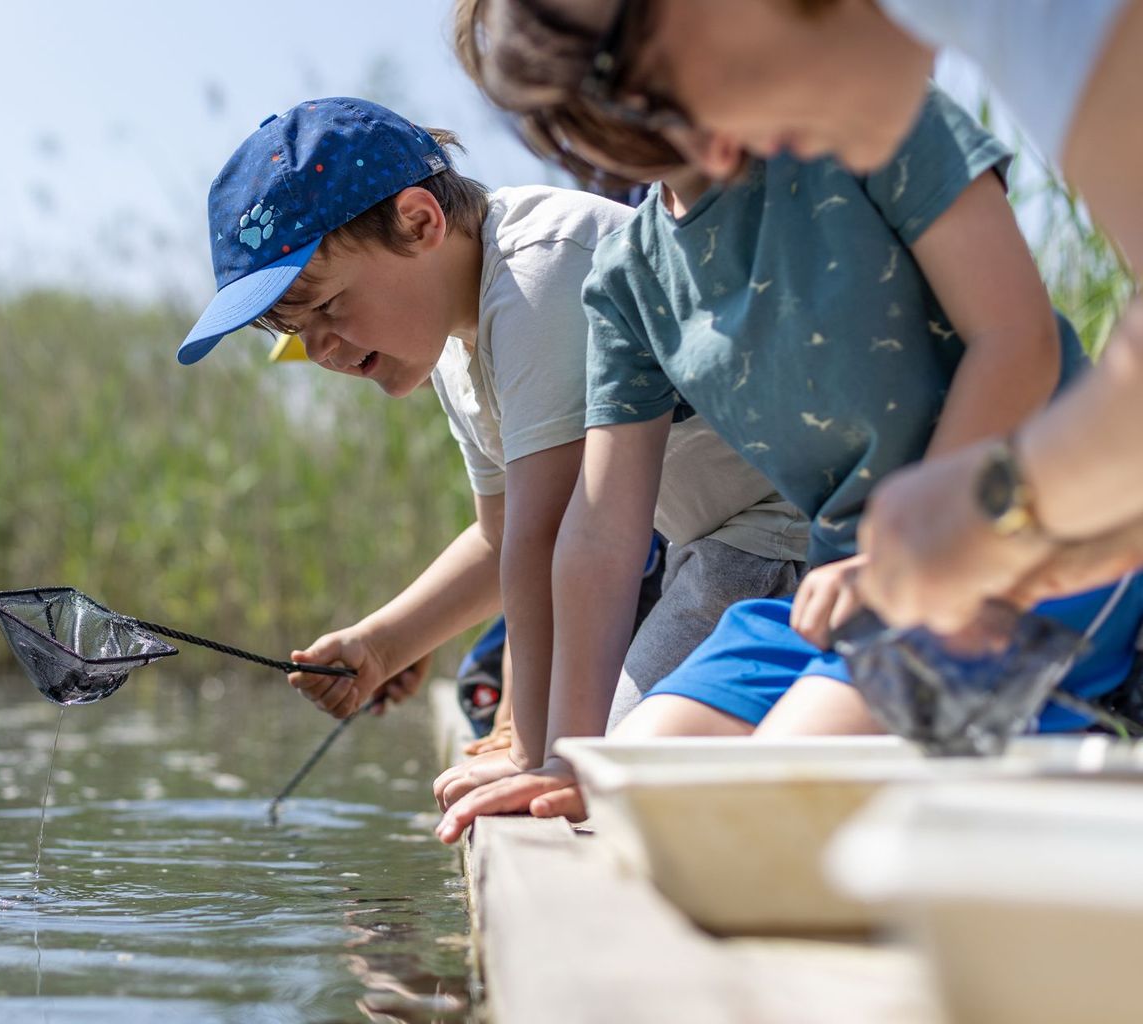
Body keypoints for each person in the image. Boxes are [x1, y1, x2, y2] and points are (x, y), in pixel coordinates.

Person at [435, 0, 1143, 841]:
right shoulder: (631, 275)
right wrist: (563, 752)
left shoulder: (892, 91)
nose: (725, 151)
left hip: (1042, 548)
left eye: (667, 93)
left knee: (766, 815)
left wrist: (959, 523)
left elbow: (1017, 338)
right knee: (643, 791)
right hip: (834, 591)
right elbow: (600, 532)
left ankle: (1074, 716)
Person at [174, 96, 810, 801]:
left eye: (327, 307)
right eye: (294, 331)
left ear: (420, 223)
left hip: (785, 540)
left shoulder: (540, 269)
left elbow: (546, 535)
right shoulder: (455, 338)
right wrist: (386, 643)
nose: (320, 349)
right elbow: (502, 532)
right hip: (712, 555)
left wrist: (538, 751)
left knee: (611, 781)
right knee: (603, 766)